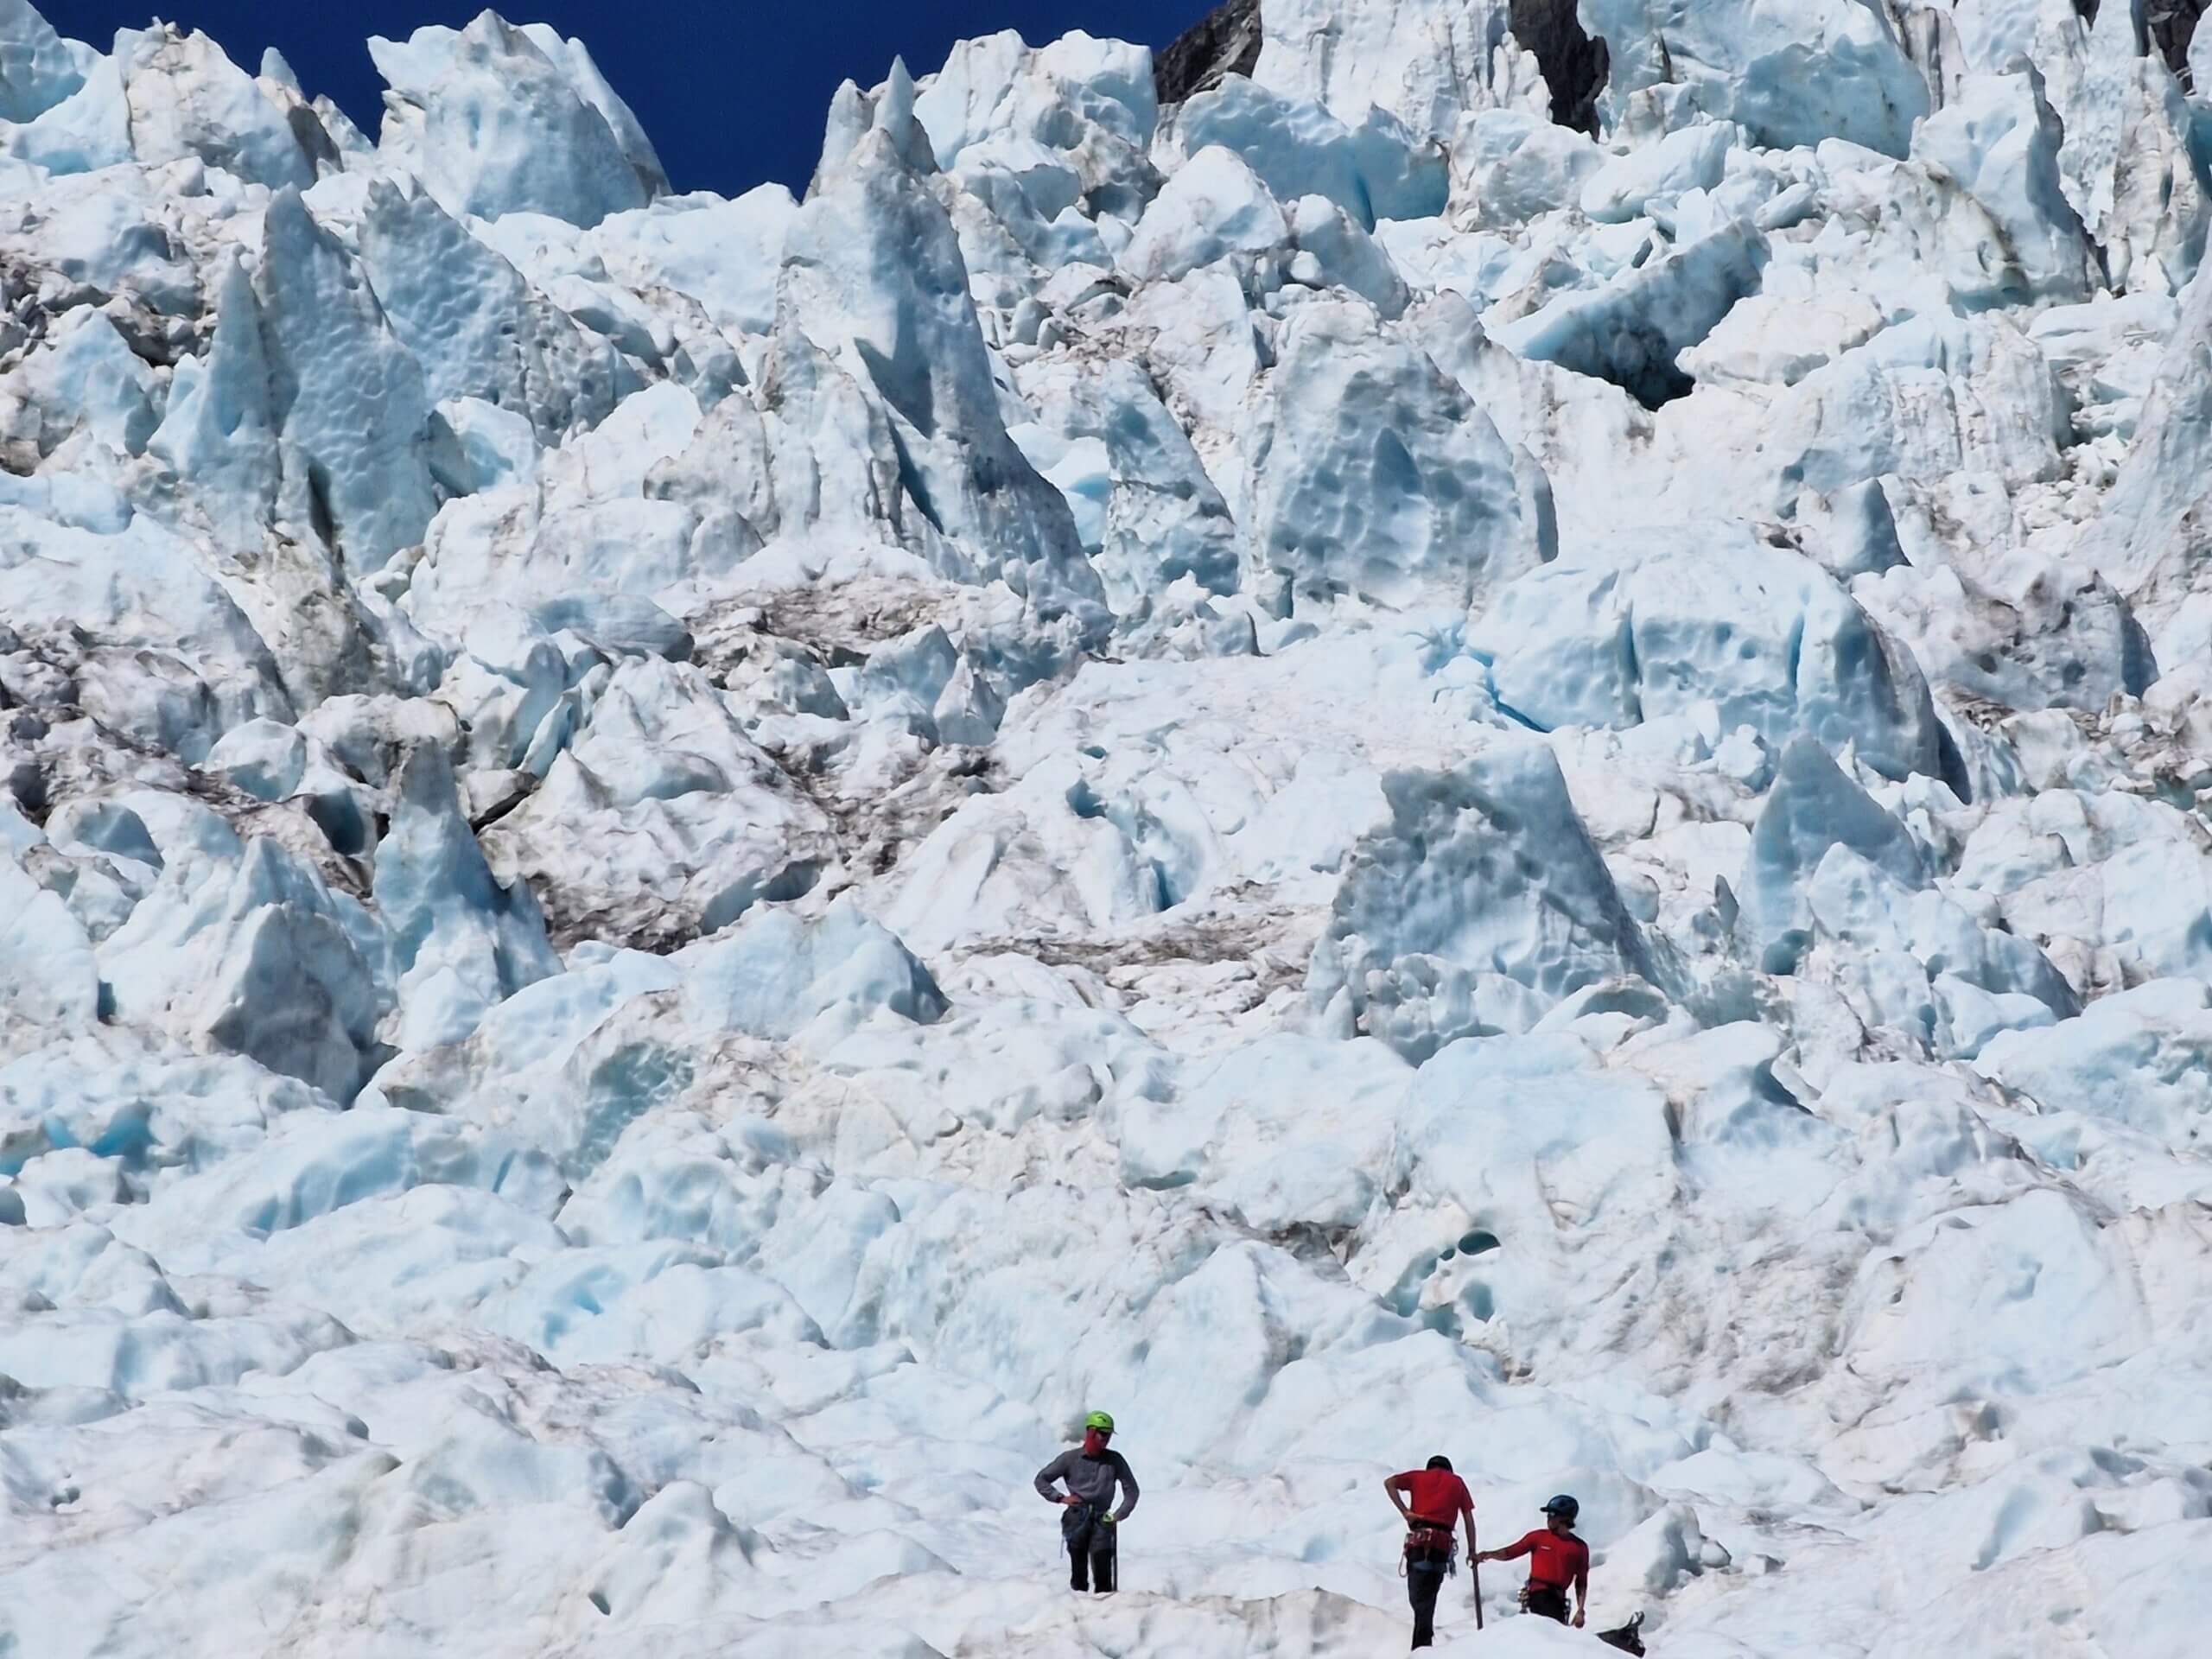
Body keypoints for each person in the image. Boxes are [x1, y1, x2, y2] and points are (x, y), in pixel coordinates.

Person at [1034, 1410, 1139, 1593]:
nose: (1106, 1439)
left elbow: (1132, 1490)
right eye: (1103, 1434)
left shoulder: (1115, 1460)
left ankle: (1105, 1610)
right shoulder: (1069, 1459)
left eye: (1108, 1435)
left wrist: (1119, 1515)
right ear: (1090, 1432)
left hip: (1102, 1519)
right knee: (1079, 1569)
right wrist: (1061, 1498)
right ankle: (1080, 1609)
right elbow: (1041, 1479)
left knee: (1103, 1568)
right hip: (1077, 1517)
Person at [1382, 1455, 1478, 1649]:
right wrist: (1472, 1550)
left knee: (1418, 1596)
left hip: (1419, 1542)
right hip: (1441, 1546)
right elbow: (1468, 1519)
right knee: (1428, 1595)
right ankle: (1424, 1639)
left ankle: (1421, 1646)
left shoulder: (1418, 1477)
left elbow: (1389, 1483)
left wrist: (1405, 1512)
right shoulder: (1457, 1483)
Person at [1477, 1494, 1590, 1628]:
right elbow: (1511, 1552)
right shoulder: (1538, 1537)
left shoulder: (1579, 1548)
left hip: (1557, 1600)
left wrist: (1580, 1610)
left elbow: (1581, 1582)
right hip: (1538, 1595)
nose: (1548, 1518)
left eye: (1552, 1514)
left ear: (1565, 1518)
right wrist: (1488, 1555)